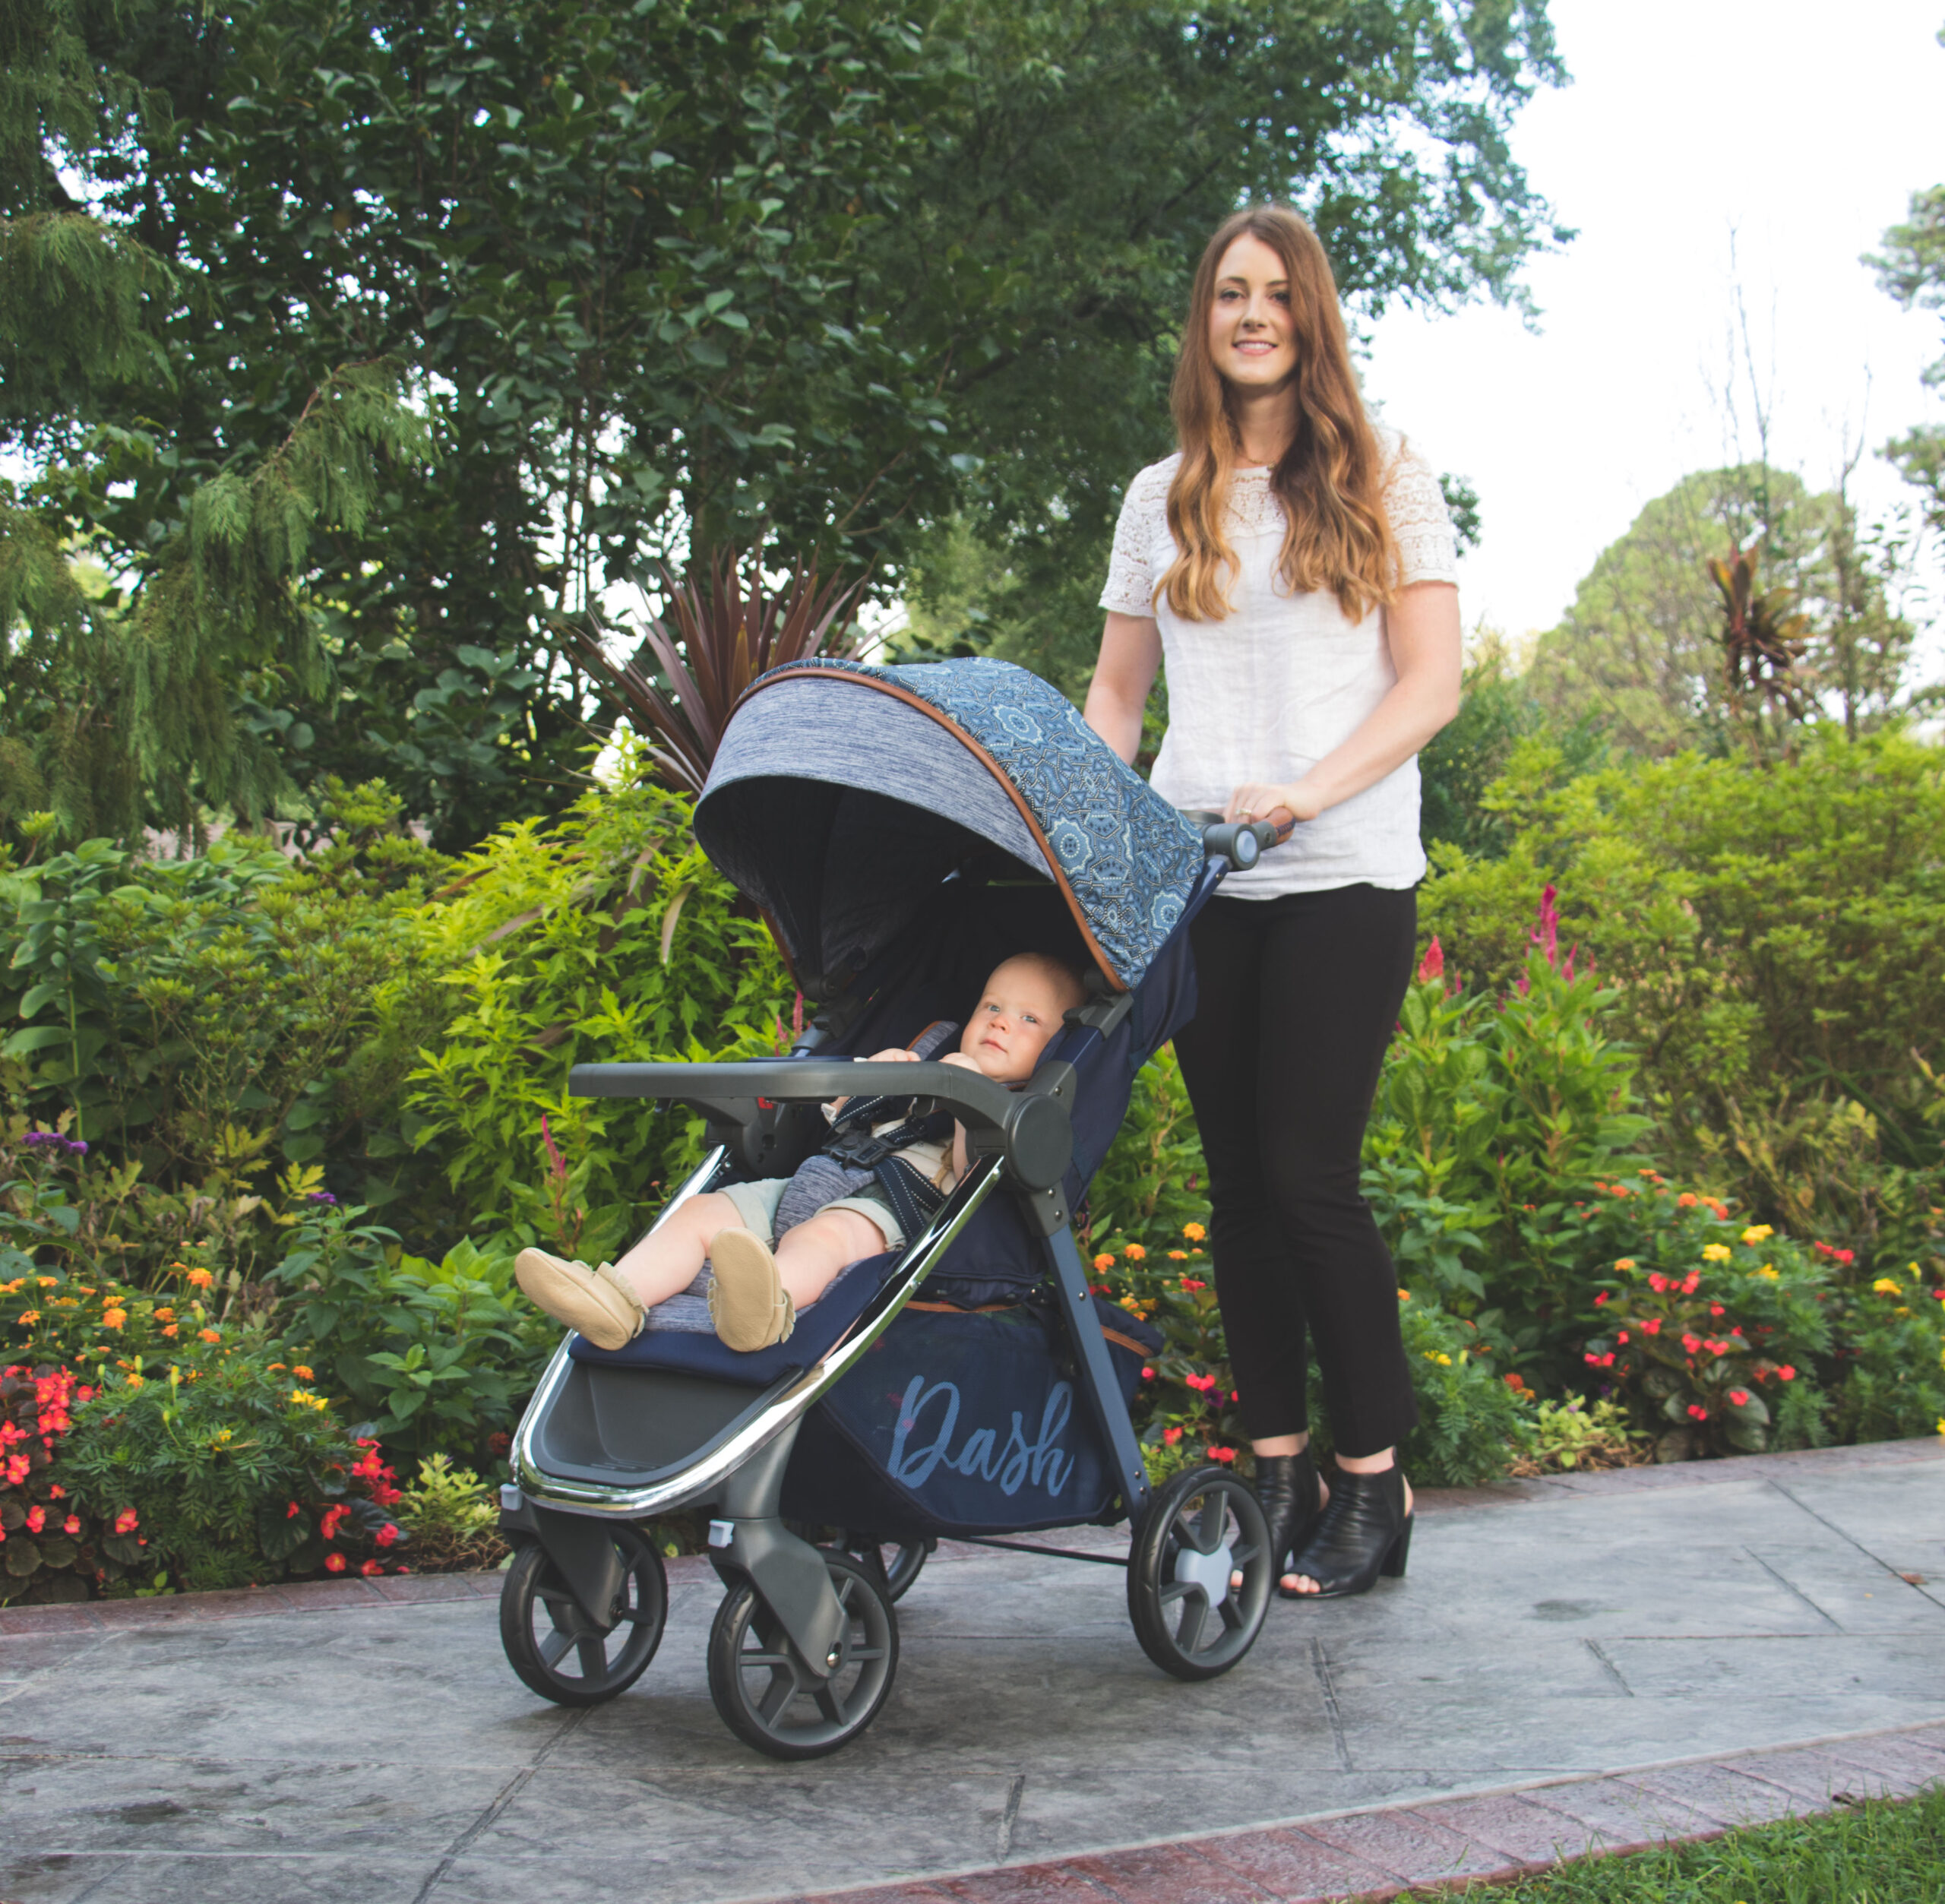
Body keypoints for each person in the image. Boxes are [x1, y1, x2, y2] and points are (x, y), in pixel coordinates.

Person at [1083, 204, 1461, 1600]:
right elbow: (1118, 692)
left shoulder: (1384, 474)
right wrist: (1090, 835)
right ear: (1206, 319)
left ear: (1312, 317)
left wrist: (1306, 791)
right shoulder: (1160, 495)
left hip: (1342, 874)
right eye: (1231, 293)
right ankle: (1279, 1466)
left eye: (1278, 294)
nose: (1253, 315)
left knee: (1310, 1180)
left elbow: (1432, 683)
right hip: (1203, 877)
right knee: (1240, 1188)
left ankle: (1375, 1478)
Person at [516, 952, 1086, 1352]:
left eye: (1028, 1019)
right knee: (703, 1211)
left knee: (820, 1239)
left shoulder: (1020, 1113)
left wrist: (970, 1098)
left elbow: (972, 1179)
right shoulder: (923, 1057)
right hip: (816, 1177)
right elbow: (839, 1117)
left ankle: (764, 1308)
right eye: (992, 1007)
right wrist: (874, 1078)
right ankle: (616, 1298)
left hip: (882, 1209)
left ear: (1053, 1046)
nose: (1001, 1024)